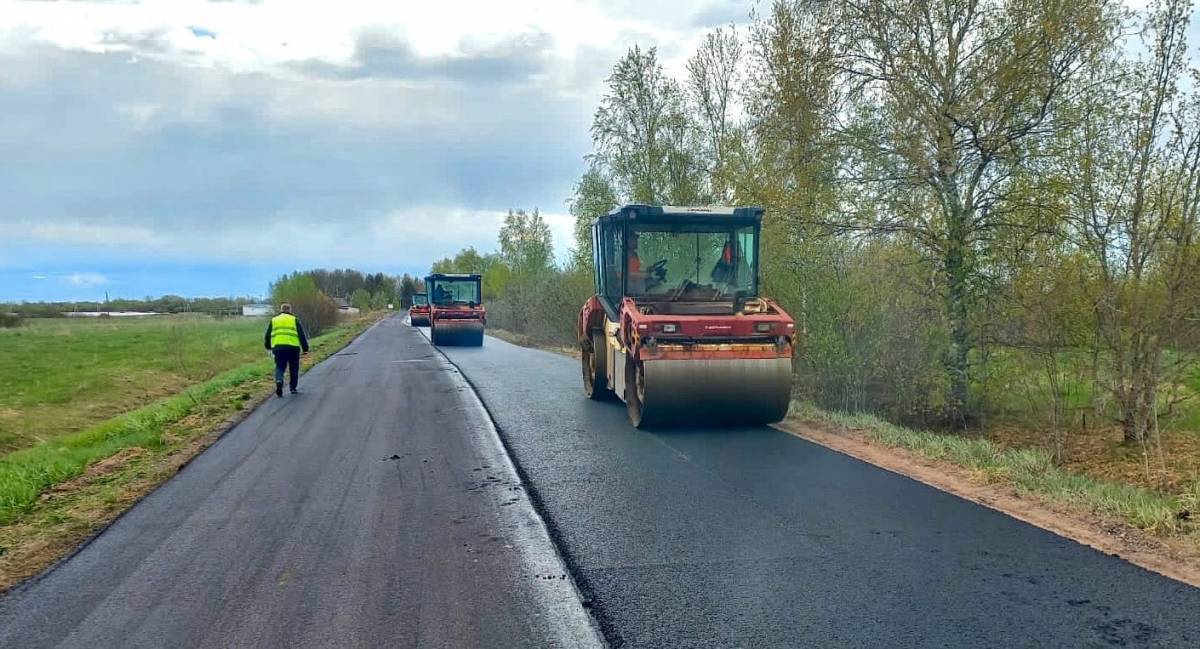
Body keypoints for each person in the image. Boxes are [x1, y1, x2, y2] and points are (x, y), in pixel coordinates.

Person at [264, 303, 309, 397]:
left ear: (281, 310)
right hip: (293, 348)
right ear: (290, 310)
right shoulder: (294, 319)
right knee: (294, 368)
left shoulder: (274, 320)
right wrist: (305, 348)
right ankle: (293, 388)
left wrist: (268, 346)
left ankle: (279, 381)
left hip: (278, 348)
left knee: (280, 367)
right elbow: (301, 334)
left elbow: (267, 335)